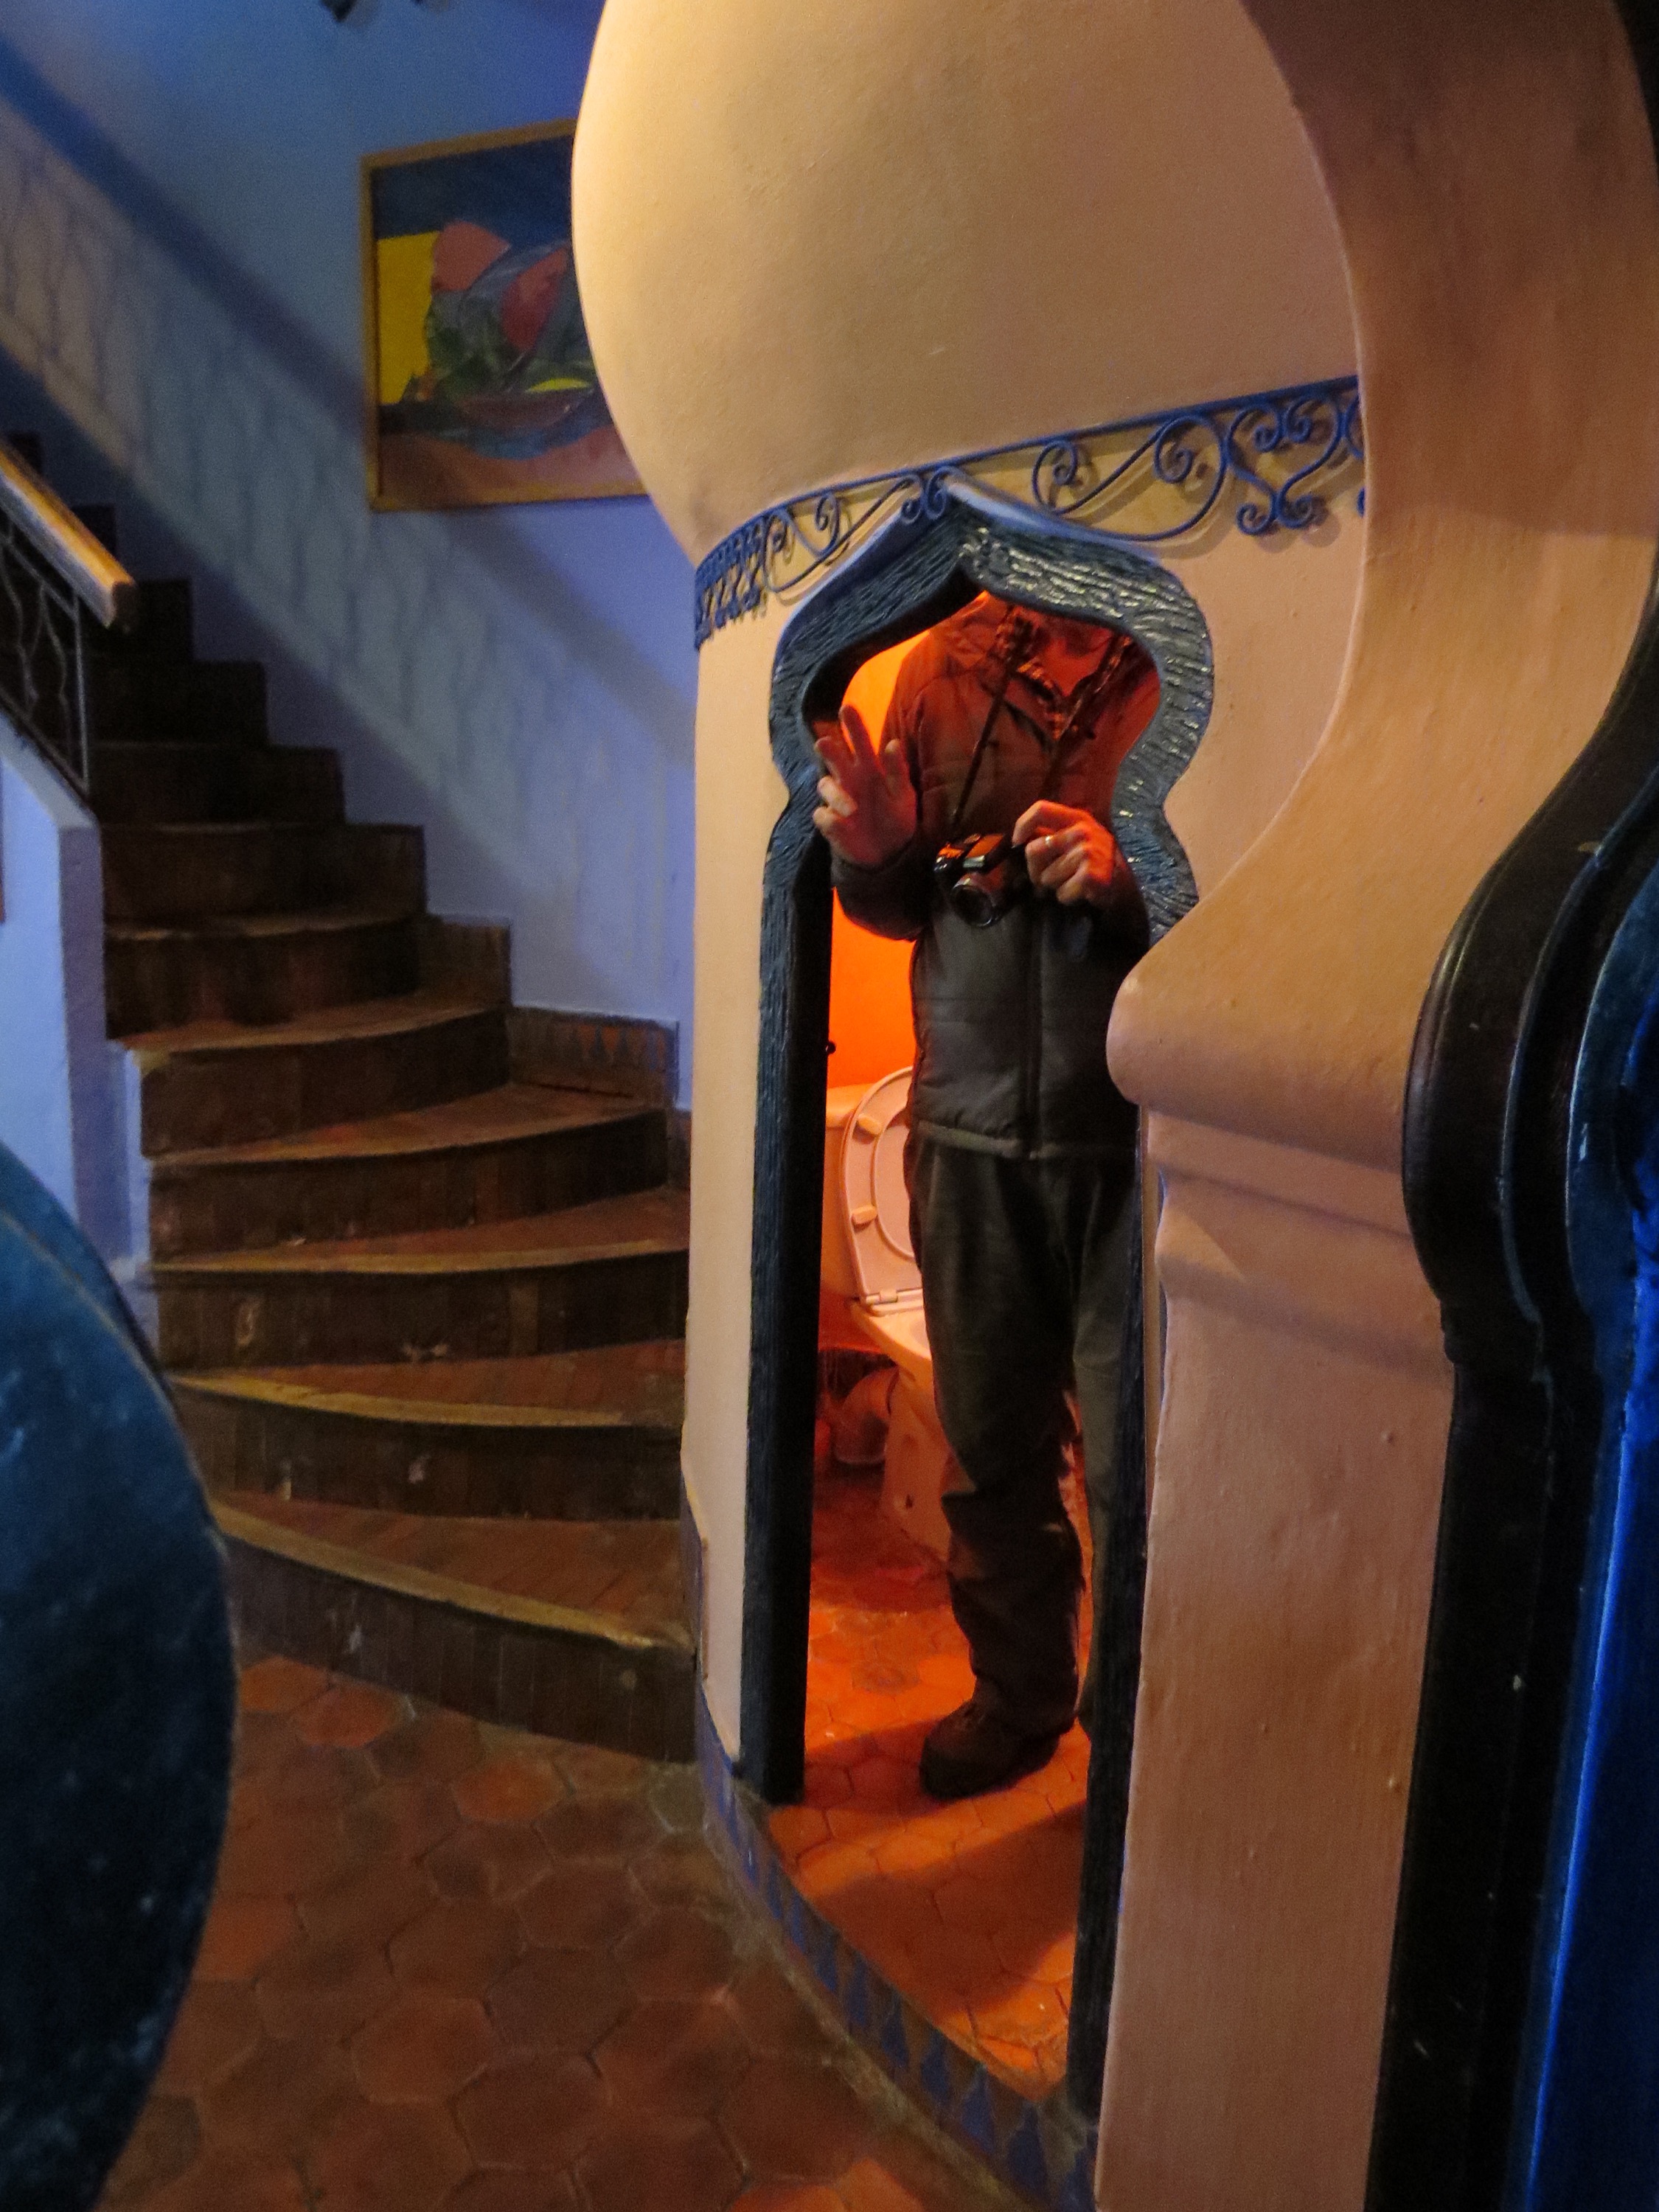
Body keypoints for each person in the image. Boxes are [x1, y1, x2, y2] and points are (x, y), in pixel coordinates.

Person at [814, 591, 1158, 1799]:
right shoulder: (938, 666)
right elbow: (899, 901)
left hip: (1139, 1141)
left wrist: (1129, 881)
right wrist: (872, 854)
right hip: (963, 1124)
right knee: (989, 1456)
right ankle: (1017, 1699)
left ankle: (1132, 1744)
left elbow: (1265, 890)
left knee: (1137, 1478)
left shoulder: (1180, 653)